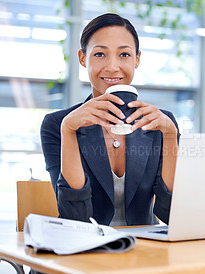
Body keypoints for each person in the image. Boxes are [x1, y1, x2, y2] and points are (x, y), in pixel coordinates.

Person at [40, 13, 180, 226]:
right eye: (99, 55)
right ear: (82, 58)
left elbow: (172, 215)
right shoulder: (57, 124)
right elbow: (75, 217)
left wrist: (170, 137)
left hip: (147, 250)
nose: (113, 67)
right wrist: (68, 130)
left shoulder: (161, 123)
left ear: (137, 59)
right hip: (84, 250)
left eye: (124, 55)